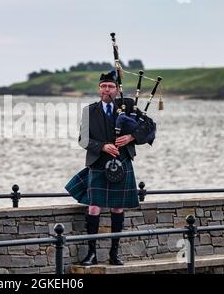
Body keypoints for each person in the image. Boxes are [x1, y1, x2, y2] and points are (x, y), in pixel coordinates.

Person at [65, 70, 156, 266]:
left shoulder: (128, 105)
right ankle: (92, 254)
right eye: (104, 86)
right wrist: (102, 146)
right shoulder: (89, 111)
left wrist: (132, 137)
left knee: (117, 206)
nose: (107, 89)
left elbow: (149, 126)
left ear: (116, 89)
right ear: (99, 89)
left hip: (122, 162)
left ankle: (114, 254)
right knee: (94, 206)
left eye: (111, 86)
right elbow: (83, 140)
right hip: (99, 163)